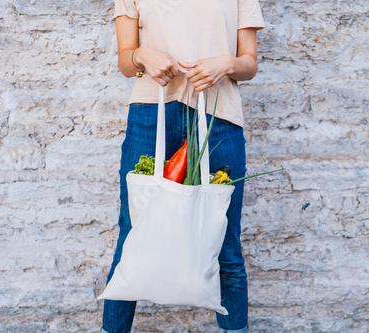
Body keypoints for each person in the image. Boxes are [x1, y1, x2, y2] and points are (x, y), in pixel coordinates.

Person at [101, 1, 264, 332]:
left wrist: (226, 64)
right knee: (132, 236)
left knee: (225, 242)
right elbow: (125, 58)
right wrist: (142, 56)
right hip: (151, 113)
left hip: (219, 116)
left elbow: (249, 63)